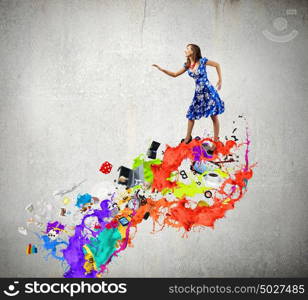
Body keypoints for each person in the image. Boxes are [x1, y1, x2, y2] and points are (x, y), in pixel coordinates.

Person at [152, 43, 225, 151]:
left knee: (214, 116)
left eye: (187, 49)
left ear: (193, 51)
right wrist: (162, 69)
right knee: (191, 115)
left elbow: (217, 65)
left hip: (208, 92)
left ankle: (215, 142)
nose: (185, 51)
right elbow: (175, 74)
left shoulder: (202, 61)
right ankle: (188, 138)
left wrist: (220, 79)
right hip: (199, 94)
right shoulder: (187, 65)